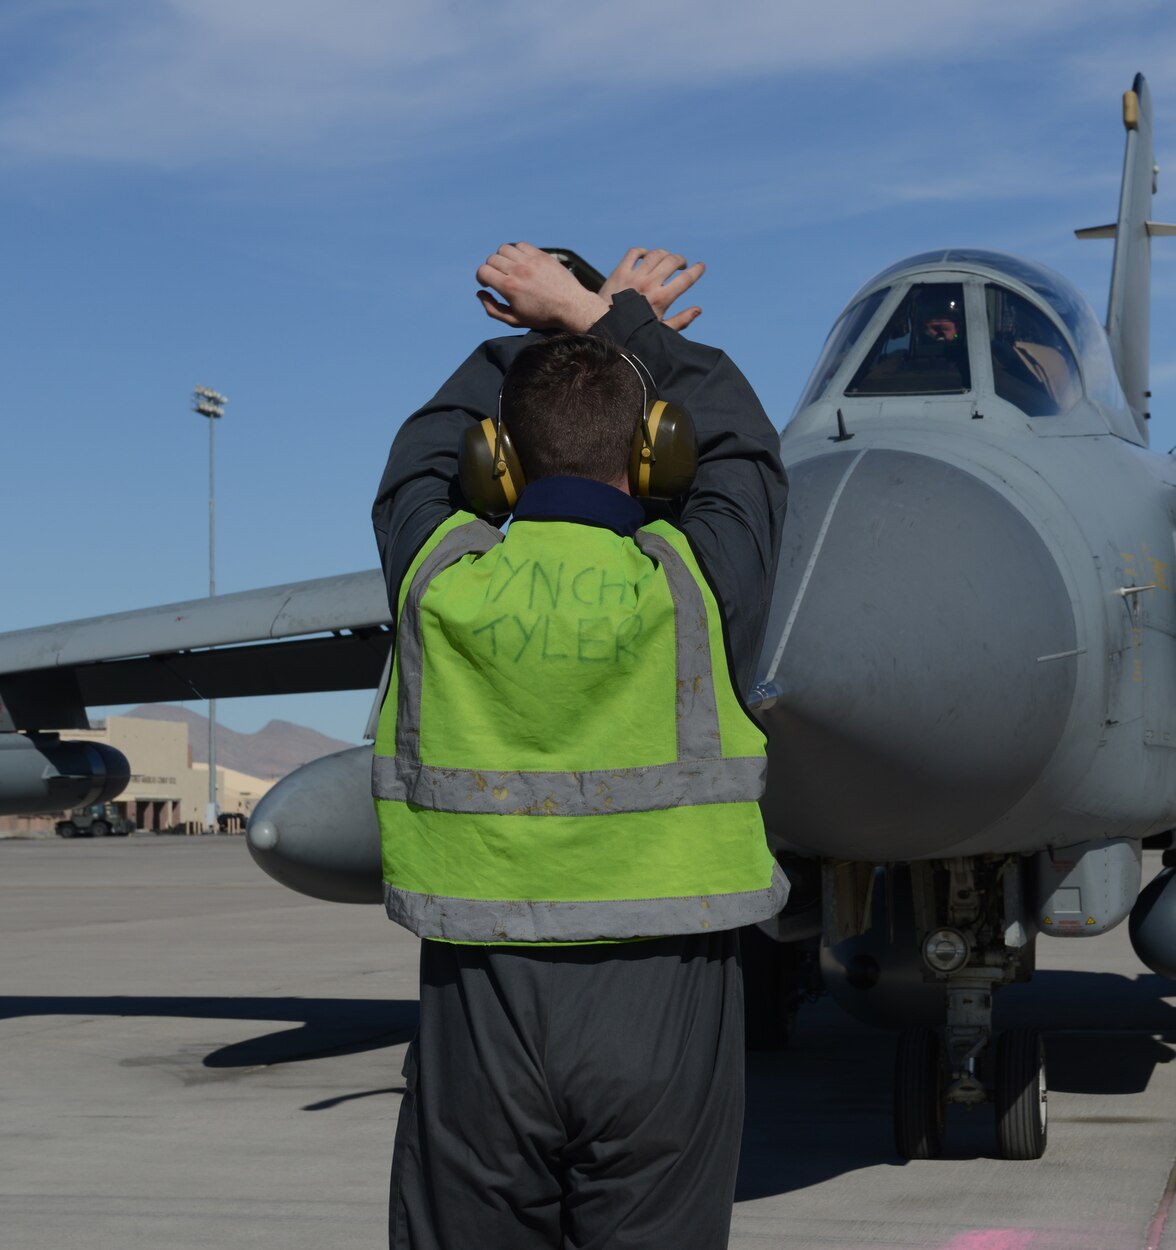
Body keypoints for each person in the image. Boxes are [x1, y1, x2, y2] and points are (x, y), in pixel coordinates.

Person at [370, 243, 790, 1250]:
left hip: (481, 1000)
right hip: (666, 1000)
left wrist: (539, 324)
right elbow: (743, 441)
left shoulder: (436, 580)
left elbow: (421, 453)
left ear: (498, 458)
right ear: (652, 454)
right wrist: (604, 316)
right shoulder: (696, 588)